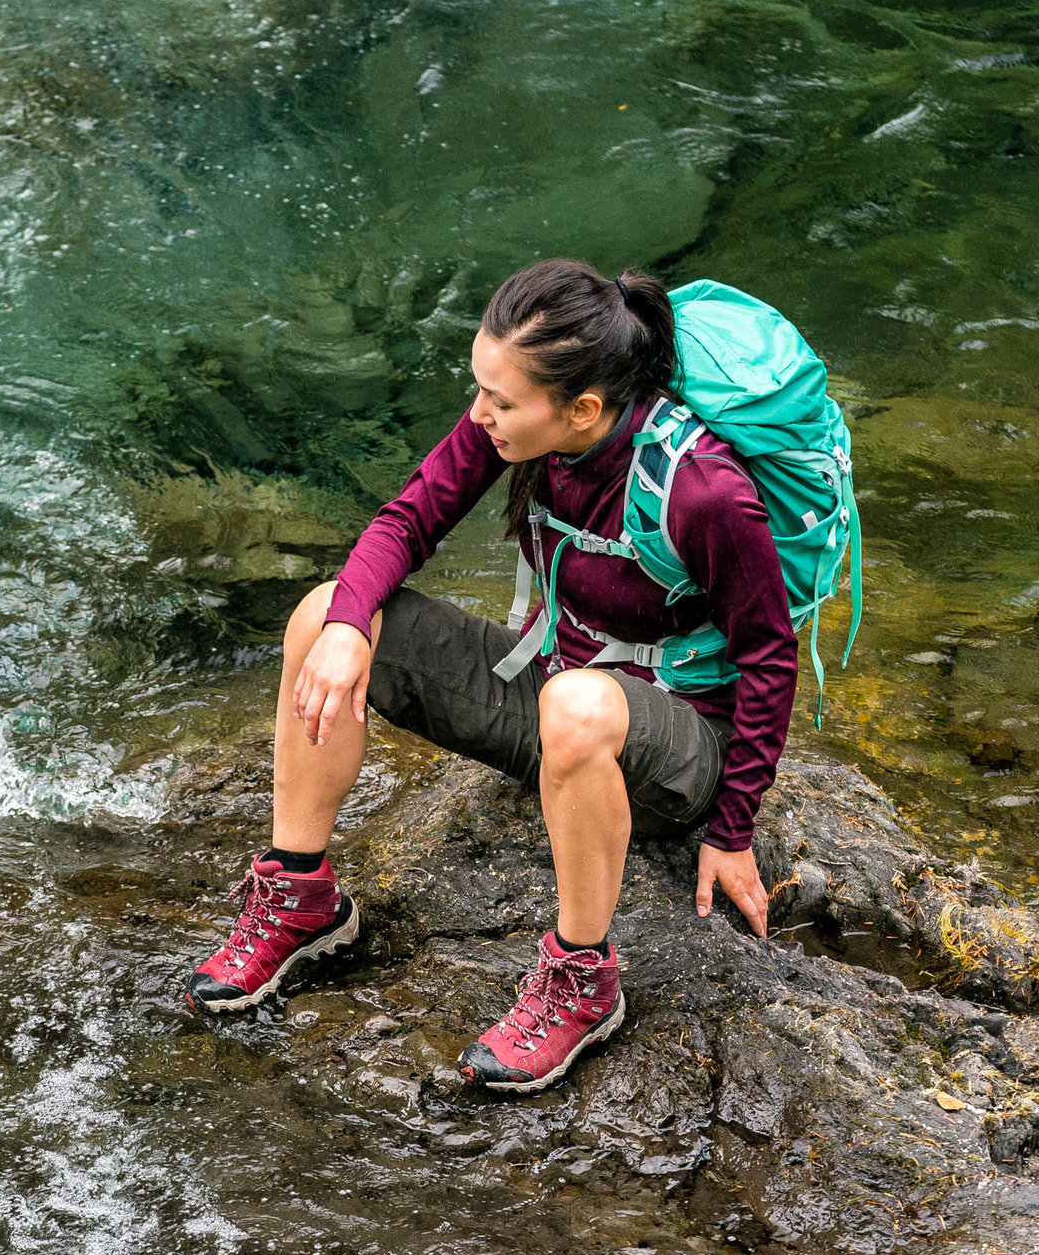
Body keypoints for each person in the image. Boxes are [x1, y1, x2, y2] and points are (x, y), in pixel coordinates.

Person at [184, 258, 798, 1092]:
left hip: (670, 753)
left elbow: (768, 656)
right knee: (327, 612)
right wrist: (344, 629)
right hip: (551, 693)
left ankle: (582, 977)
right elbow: (408, 520)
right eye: (480, 388)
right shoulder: (522, 426)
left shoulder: (703, 491)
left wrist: (730, 831)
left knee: (576, 707)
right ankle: (300, 896)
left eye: (500, 401)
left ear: (581, 409)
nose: (480, 416)